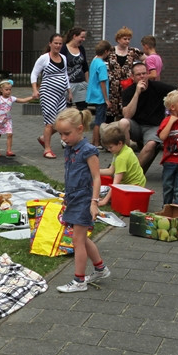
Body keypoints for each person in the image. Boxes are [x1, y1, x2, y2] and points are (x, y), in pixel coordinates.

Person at [54, 108, 110, 293]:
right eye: (60, 134)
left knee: (77, 241)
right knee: (82, 238)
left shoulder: (88, 150)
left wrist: (94, 202)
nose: (63, 138)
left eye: (67, 133)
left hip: (84, 200)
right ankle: (100, 269)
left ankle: (79, 281)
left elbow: (97, 177)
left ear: (79, 129)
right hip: (73, 198)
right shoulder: (69, 149)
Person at [119, 61, 178, 173]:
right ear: (132, 77)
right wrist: (137, 93)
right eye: (138, 75)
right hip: (136, 126)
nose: (142, 77)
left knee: (151, 145)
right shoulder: (128, 91)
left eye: (144, 73)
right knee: (123, 122)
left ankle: (132, 172)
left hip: (154, 127)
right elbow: (127, 115)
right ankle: (126, 157)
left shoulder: (157, 87)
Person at [31, 34, 72, 158]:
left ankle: (44, 138)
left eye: (60, 43)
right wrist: (35, 90)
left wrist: (69, 91)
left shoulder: (63, 58)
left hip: (61, 95)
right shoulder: (44, 58)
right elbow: (34, 74)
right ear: (50, 44)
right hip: (48, 94)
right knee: (49, 122)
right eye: (56, 43)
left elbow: (65, 75)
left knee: (62, 121)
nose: (58, 46)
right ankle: (47, 149)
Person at [98, 123, 146, 207]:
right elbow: (110, 171)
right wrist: (94, 171)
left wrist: (105, 201)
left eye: (110, 147)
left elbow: (116, 183)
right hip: (137, 184)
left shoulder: (121, 158)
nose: (109, 150)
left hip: (135, 187)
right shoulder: (122, 150)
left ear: (120, 143)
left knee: (104, 191)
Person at [0, 80, 35, 157]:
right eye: (6, 89)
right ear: (1, 90)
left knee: (10, 134)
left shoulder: (12, 98)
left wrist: (32, 97)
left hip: (7, 120)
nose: (8, 91)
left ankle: (9, 150)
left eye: (10, 89)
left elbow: (23, 100)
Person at [106, 27, 144, 123]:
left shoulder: (133, 51)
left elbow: (146, 59)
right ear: (118, 39)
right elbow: (98, 59)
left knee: (125, 111)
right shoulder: (110, 51)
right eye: (125, 39)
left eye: (129, 39)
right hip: (113, 87)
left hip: (127, 85)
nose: (127, 41)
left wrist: (139, 71)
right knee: (110, 114)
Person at [86, 41, 112, 146]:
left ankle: (94, 141)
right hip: (100, 96)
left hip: (93, 94)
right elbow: (102, 82)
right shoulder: (101, 65)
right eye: (109, 52)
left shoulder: (94, 61)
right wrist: (106, 99)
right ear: (105, 51)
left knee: (98, 118)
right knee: (99, 121)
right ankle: (97, 143)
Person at [62, 27, 90, 110]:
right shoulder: (64, 49)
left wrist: (87, 82)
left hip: (81, 84)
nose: (83, 39)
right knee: (67, 109)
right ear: (74, 36)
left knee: (83, 108)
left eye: (84, 37)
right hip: (69, 84)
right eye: (82, 37)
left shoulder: (81, 49)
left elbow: (85, 66)